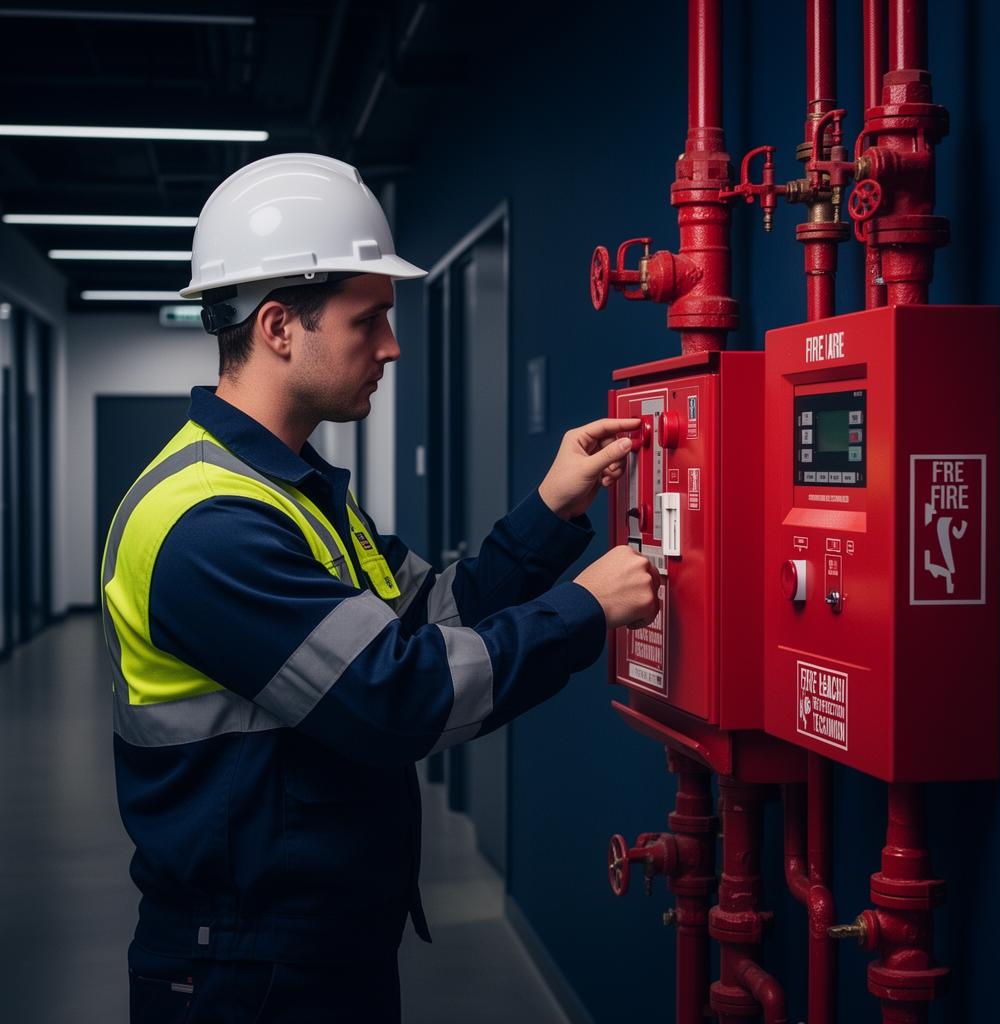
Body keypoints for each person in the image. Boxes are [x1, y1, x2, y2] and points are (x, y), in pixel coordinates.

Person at [101, 153, 660, 1022]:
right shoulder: (208, 524)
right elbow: (396, 696)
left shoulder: (294, 489)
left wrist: (552, 510)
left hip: (321, 942)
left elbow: (433, 617)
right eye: (371, 321)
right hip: (243, 971)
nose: (392, 348)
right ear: (281, 327)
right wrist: (586, 610)